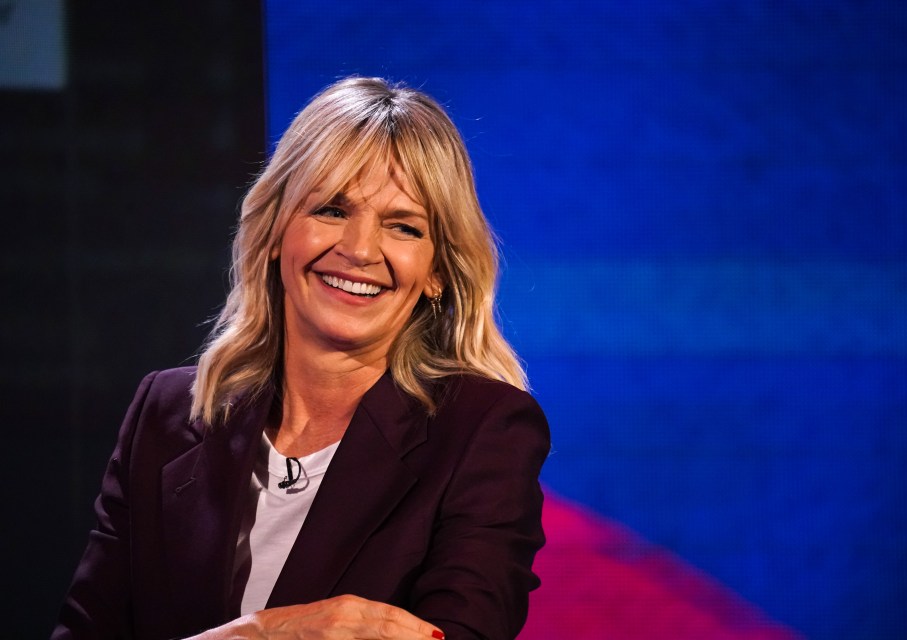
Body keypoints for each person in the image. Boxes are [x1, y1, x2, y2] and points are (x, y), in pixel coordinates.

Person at [53, 77, 550, 640]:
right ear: (274, 232)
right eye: (332, 210)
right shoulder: (167, 414)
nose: (360, 250)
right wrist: (264, 634)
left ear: (436, 272)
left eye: (403, 226)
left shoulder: (484, 430)